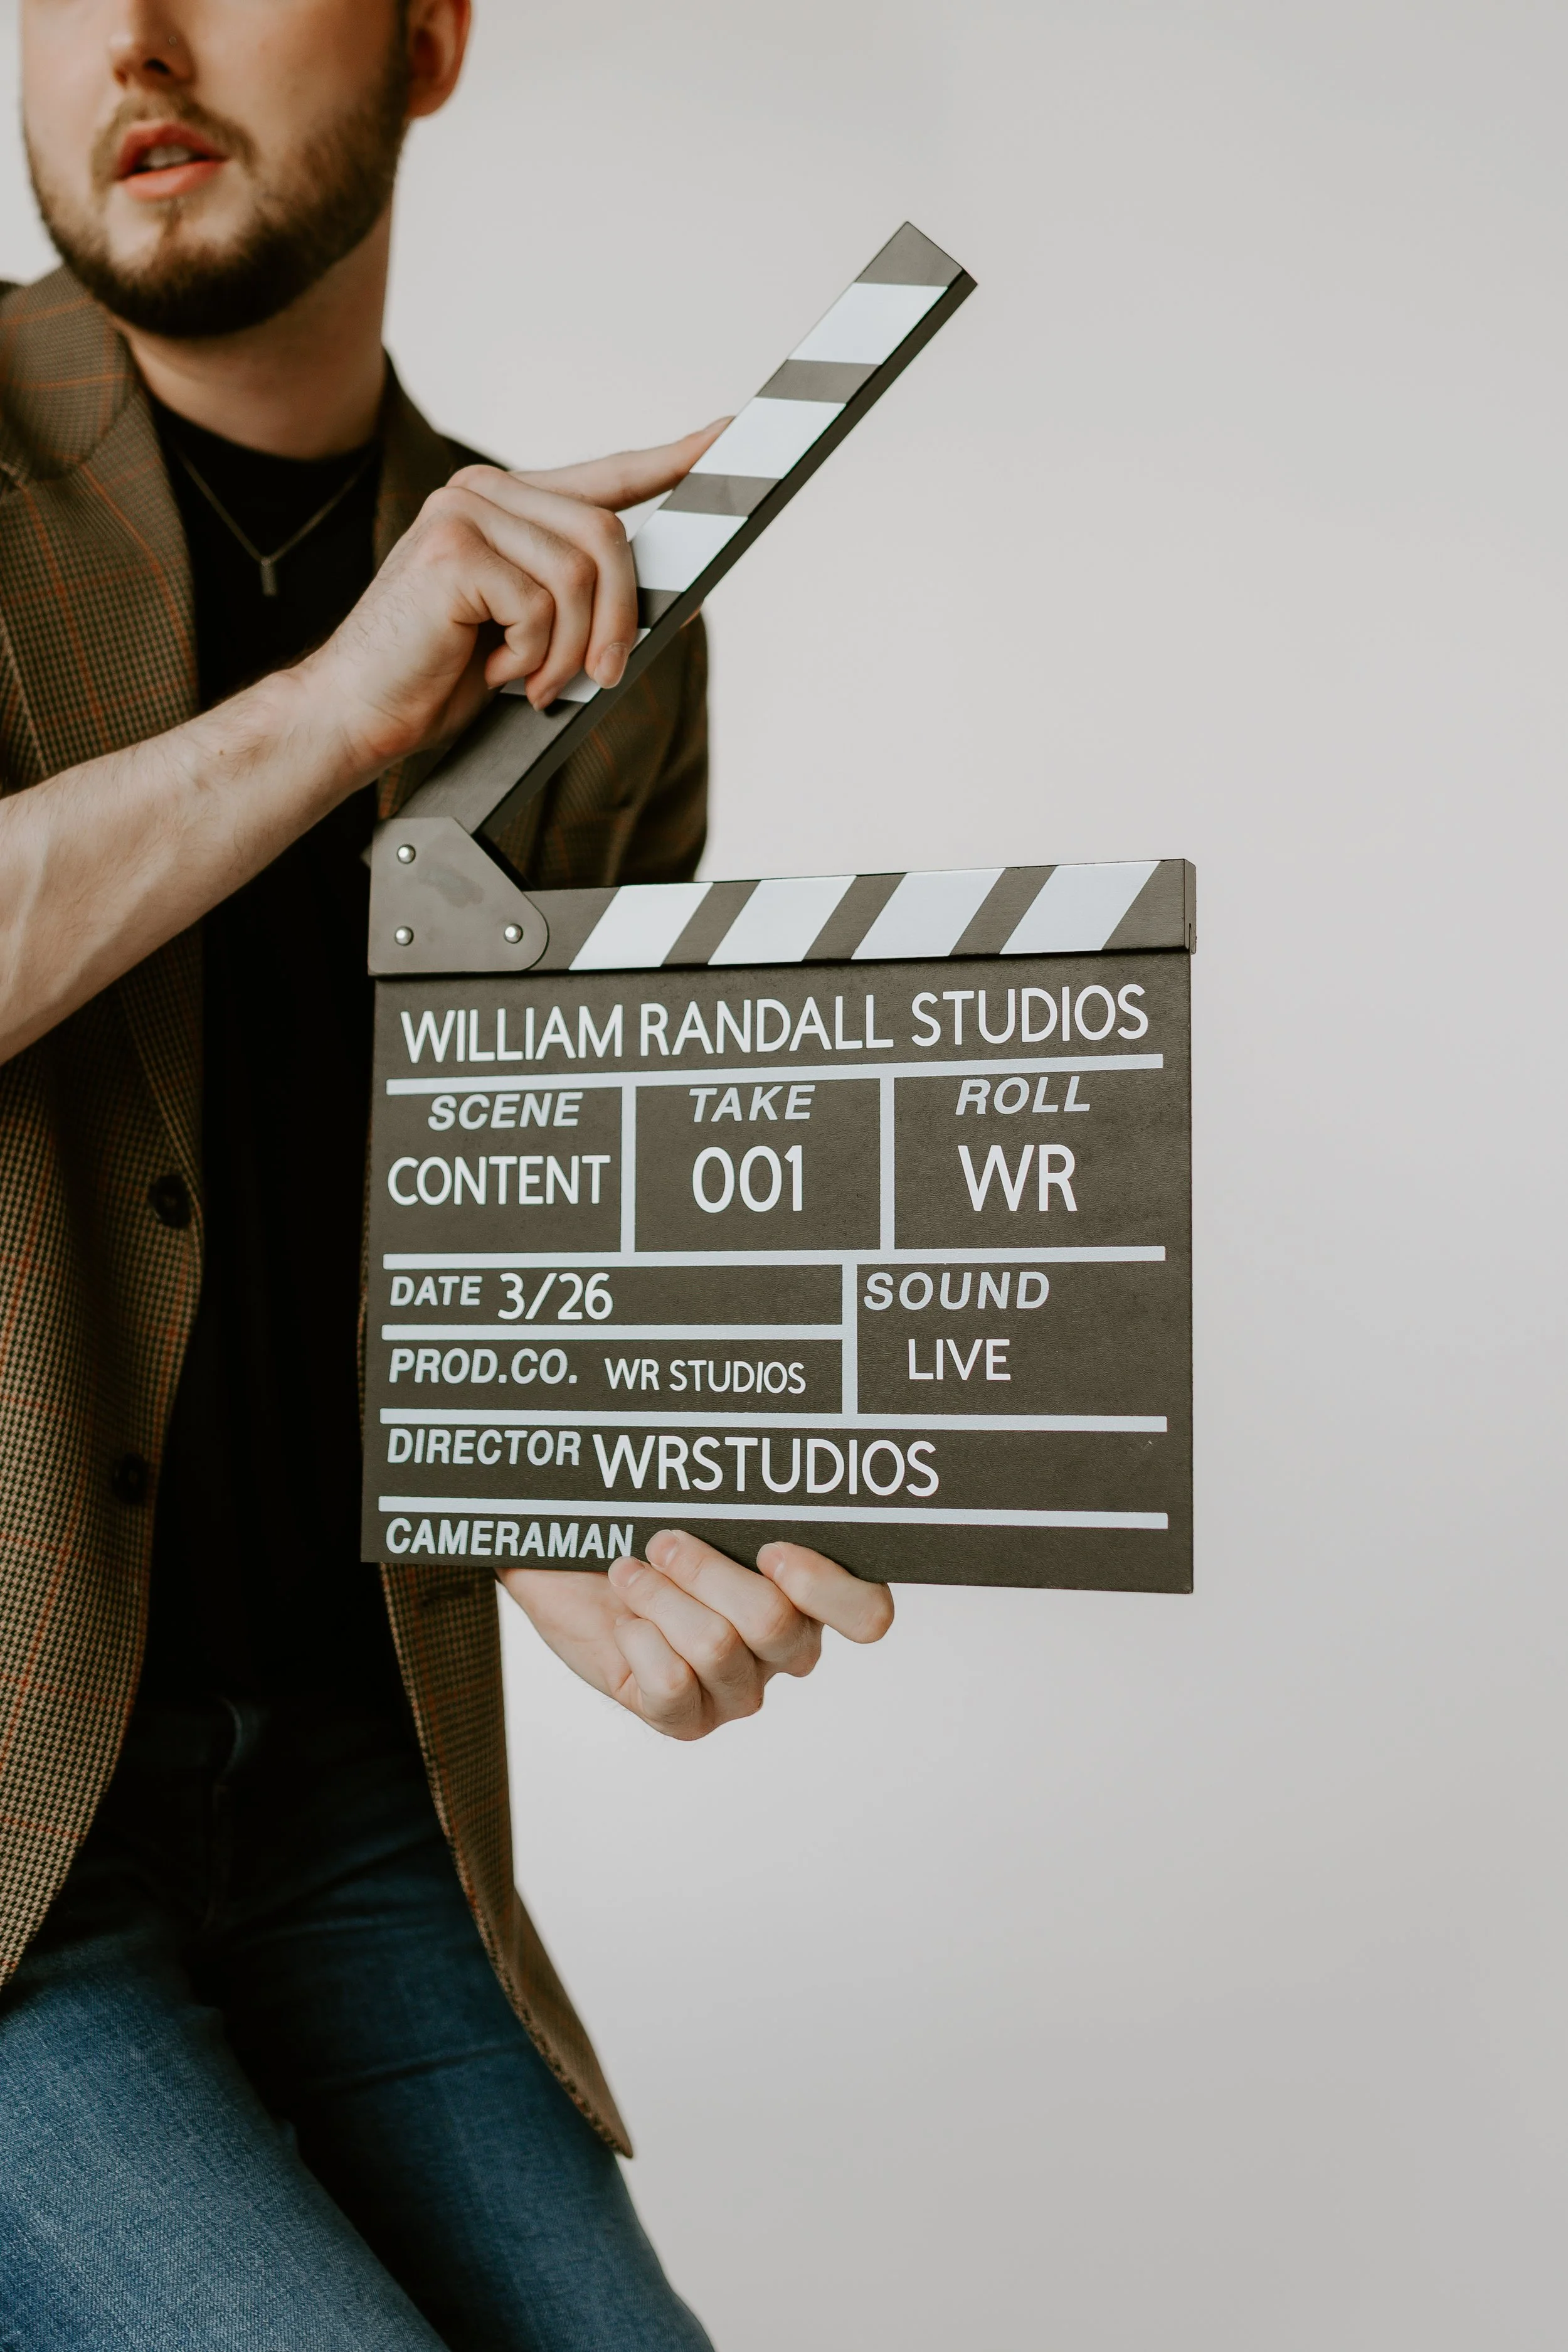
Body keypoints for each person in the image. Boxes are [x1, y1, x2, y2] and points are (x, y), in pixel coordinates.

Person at [0, 3, 894, 2344]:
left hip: (351, 1807)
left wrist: (565, 1499)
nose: (140, 39)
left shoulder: (591, 633)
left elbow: (508, 1249)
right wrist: (336, 710)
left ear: (427, 37)